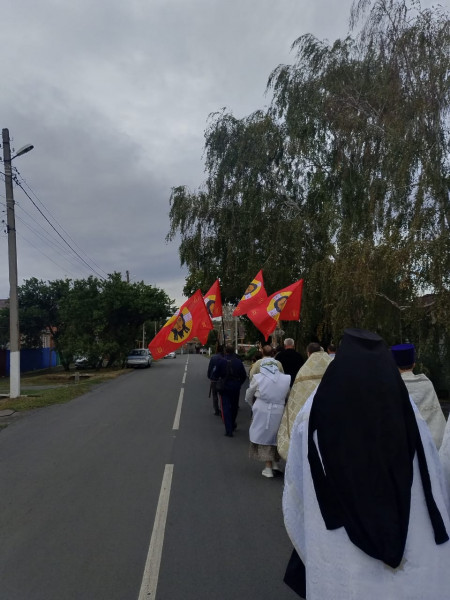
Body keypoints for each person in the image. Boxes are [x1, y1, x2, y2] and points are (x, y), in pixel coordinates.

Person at [283, 328, 450, 599]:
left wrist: (314, 546)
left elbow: (296, 491)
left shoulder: (314, 411)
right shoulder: (408, 410)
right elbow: (434, 473)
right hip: (414, 567)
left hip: (340, 566)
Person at [277, 343, 332, 461]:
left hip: (308, 416)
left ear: (308, 353)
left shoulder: (304, 372)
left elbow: (296, 397)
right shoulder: (333, 368)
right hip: (329, 415)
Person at [391, 343, 446, 449]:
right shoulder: (426, 384)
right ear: (414, 364)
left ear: (394, 365)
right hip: (429, 443)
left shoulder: (392, 386)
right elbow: (435, 417)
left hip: (403, 446)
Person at [245, 354, 291, 478]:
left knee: (264, 437)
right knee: (276, 437)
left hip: (262, 409)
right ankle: (275, 463)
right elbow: (288, 395)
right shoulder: (286, 378)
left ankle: (268, 467)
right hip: (279, 410)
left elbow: (249, 394)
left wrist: (253, 405)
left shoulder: (258, 378)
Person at [215, 345, 247, 437]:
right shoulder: (238, 362)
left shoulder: (221, 361)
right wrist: (239, 384)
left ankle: (229, 430)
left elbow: (215, 374)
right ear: (233, 351)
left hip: (224, 387)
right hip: (235, 387)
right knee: (234, 406)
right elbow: (244, 375)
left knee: (225, 408)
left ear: (226, 351)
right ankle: (232, 423)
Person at [207, 344, 224, 416]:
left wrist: (209, 376)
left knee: (215, 395)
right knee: (223, 395)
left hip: (214, 379)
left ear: (217, 350)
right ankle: (223, 410)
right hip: (222, 380)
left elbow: (210, 368)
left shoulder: (213, 358)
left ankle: (216, 410)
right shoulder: (224, 357)